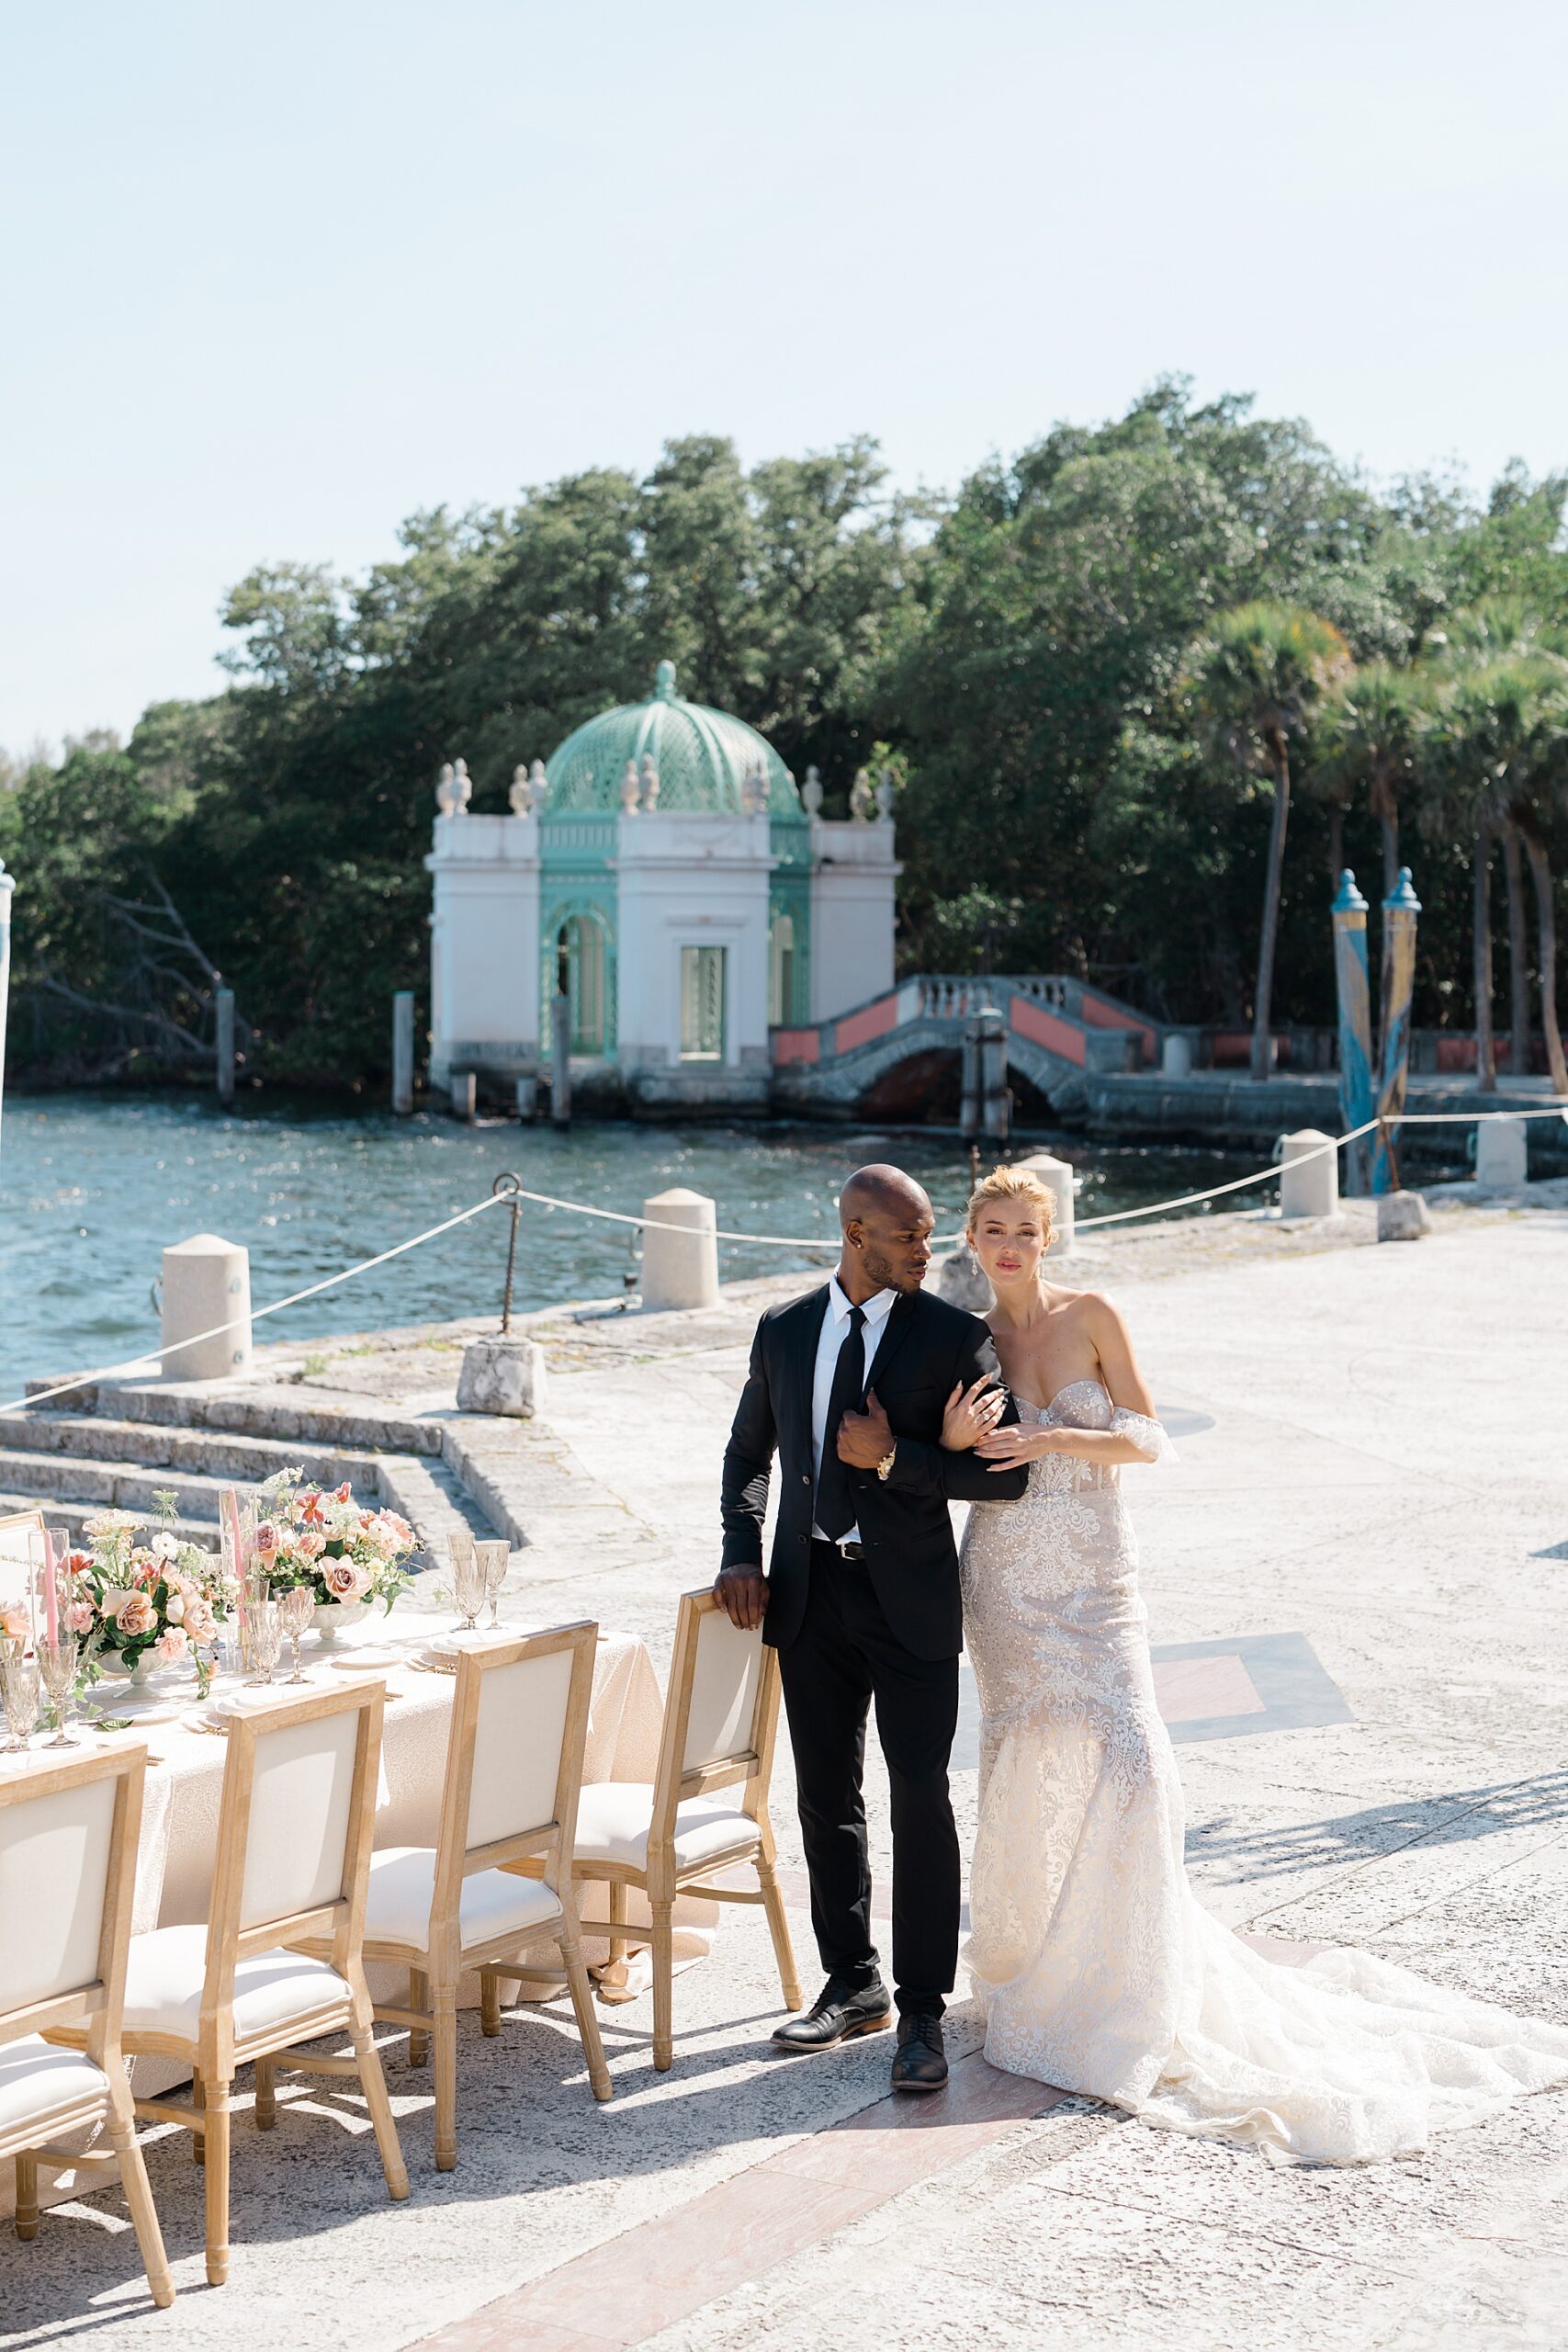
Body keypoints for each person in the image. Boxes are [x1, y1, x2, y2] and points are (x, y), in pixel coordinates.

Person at [950, 1162, 1568, 2164]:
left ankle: (1132, 1982)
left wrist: (1062, 1431)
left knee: (1134, 1759)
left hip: (1098, 1581)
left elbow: (1149, 1437)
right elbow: (947, 1462)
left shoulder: (1094, 1314)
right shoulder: (964, 1338)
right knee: (1029, 1763)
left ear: (1049, 1237)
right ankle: (1037, 1966)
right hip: (1006, 1582)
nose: (1011, 1243)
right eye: (994, 1228)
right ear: (972, 1238)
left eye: (1027, 1227)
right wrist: (947, 1437)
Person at [716, 1163, 1028, 2093]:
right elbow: (747, 1453)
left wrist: (897, 1460)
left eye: (929, 1235)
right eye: (909, 1237)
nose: (928, 1253)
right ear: (857, 1234)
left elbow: (1009, 1474)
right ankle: (853, 1982)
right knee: (825, 1796)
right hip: (811, 1599)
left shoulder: (953, 1337)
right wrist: (741, 1548)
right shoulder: (783, 1331)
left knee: (921, 1799)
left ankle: (922, 2008)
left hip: (912, 1604)